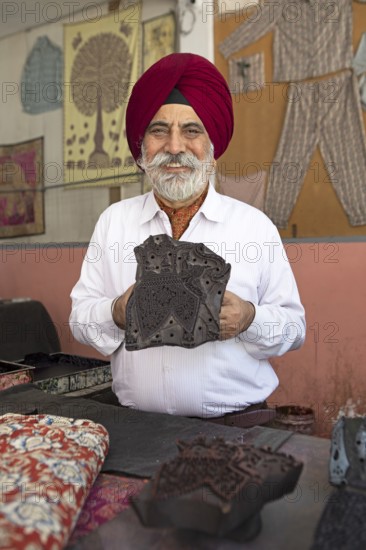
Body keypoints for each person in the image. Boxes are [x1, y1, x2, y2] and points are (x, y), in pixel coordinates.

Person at [69, 53, 305, 425]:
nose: (175, 147)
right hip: (137, 429)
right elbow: (79, 319)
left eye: (191, 131)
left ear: (212, 145)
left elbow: (294, 328)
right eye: (159, 130)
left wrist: (249, 318)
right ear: (142, 145)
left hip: (236, 428)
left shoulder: (254, 228)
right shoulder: (113, 223)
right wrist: (115, 312)